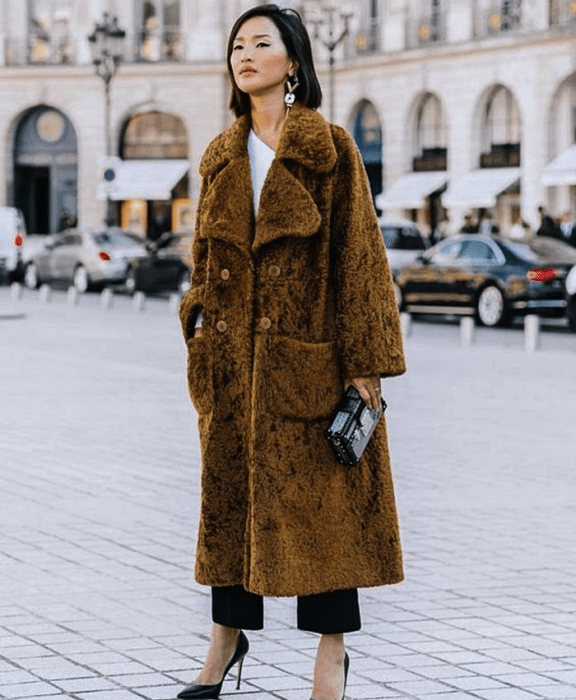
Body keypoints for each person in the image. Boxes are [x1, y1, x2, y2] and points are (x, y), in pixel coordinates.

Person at [177, 5, 406, 700]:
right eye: (237, 44)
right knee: (227, 508)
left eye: (261, 43)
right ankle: (224, 643)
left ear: (293, 62)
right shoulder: (221, 155)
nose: (245, 54)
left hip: (310, 366)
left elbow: (362, 261)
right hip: (231, 370)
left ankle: (330, 660)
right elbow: (201, 260)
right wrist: (195, 324)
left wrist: (365, 366)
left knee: (327, 514)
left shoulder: (329, 150)